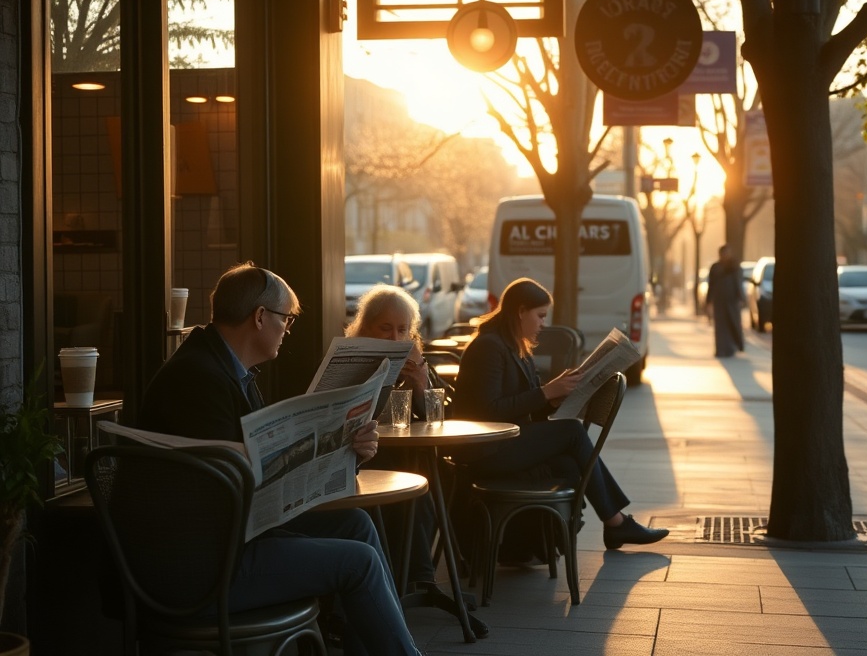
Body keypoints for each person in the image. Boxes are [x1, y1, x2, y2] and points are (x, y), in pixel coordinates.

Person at [138, 262, 423, 656]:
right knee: (358, 562)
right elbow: (237, 484)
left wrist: (348, 450)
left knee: (355, 524)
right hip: (205, 567)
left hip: (230, 535)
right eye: (287, 319)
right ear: (260, 318)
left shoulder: (228, 371)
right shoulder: (198, 380)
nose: (288, 330)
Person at [452, 277, 669, 551]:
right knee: (572, 432)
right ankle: (615, 523)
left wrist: (553, 399)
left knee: (568, 463)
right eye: (540, 316)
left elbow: (523, 404)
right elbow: (488, 410)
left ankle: (545, 542)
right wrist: (546, 392)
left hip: (506, 442)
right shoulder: (489, 347)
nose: (543, 323)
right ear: (520, 311)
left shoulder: (516, 346)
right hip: (486, 449)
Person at [345, 284, 443, 591]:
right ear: (366, 328)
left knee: (437, 479)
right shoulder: (351, 359)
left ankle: (415, 577)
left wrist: (421, 384)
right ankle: (411, 578)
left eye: (403, 329)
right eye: (385, 328)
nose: (395, 338)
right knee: (416, 481)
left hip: (408, 456)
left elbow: (439, 422)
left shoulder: (417, 361)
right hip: (364, 457)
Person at [706, 244, 745, 358]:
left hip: (732, 301)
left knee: (733, 323)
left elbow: (738, 283)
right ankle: (721, 349)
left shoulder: (734, 266)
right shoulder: (715, 267)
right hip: (719, 301)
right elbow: (711, 285)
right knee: (720, 326)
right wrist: (709, 301)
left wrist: (741, 298)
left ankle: (732, 347)